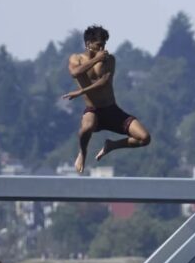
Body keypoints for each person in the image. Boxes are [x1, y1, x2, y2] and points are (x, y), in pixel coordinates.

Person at [63, 25, 151, 173]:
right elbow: (75, 73)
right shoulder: (76, 58)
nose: (102, 48)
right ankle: (83, 153)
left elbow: (104, 82)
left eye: (104, 44)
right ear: (88, 44)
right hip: (93, 110)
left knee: (145, 138)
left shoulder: (109, 60)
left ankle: (112, 145)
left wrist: (80, 92)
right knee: (85, 129)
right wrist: (94, 60)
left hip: (111, 109)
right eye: (99, 45)